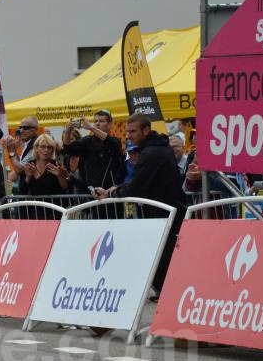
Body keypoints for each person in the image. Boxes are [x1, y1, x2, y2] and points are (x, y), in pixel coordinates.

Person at [94, 113, 185, 293]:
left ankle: (168, 294)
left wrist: (111, 194)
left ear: (146, 130)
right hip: (164, 214)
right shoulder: (158, 147)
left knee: (162, 264)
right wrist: (115, 190)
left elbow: (136, 187)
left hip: (165, 216)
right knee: (162, 263)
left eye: (133, 131)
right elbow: (139, 181)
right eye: (127, 131)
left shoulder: (152, 152)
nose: (128, 135)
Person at [62, 110, 125, 194]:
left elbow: (113, 143)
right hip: (91, 193)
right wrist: (68, 130)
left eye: (101, 121)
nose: (97, 123)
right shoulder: (88, 141)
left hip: (109, 193)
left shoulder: (114, 141)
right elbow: (68, 148)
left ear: (110, 125)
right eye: (95, 121)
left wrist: (92, 127)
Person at [6, 116, 40, 194]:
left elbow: (19, 170)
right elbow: (20, 164)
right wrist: (13, 150)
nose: (21, 130)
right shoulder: (28, 143)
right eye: (20, 127)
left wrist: (12, 152)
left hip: (33, 192)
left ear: (35, 130)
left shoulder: (36, 144)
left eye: (25, 128)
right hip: (27, 189)